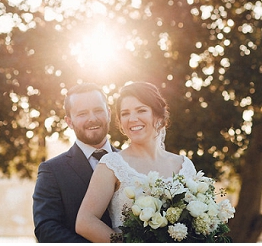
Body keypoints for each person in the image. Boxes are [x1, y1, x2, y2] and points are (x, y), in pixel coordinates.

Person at [75, 82, 197, 242]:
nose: (132, 119)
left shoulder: (185, 165)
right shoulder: (111, 165)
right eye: (125, 114)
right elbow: (85, 222)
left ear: (159, 116)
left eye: (141, 110)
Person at [32, 83, 116, 242]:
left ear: (109, 113)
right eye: (82, 113)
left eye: (98, 110)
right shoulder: (52, 171)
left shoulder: (131, 162)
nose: (92, 118)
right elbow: (46, 229)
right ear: (69, 122)